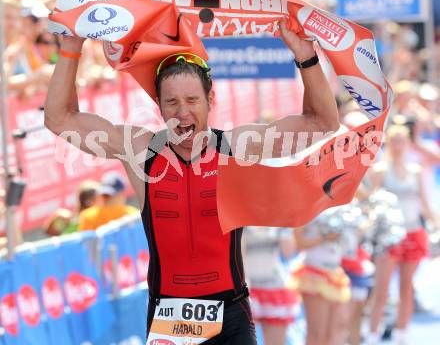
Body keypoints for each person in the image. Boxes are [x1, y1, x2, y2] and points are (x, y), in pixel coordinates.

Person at [44, 19, 340, 344]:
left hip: (230, 315)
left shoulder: (237, 148)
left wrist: (306, 58)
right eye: (171, 102)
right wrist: (70, 52)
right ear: (159, 107)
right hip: (168, 315)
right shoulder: (141, 152)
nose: (182, 112)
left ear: (210, 100)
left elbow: (322, 121)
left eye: (192, 101)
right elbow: (60, 118)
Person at [366, 124, 439, 345]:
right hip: (388, 236)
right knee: (382, 289)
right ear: (388, 143)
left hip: (413, 232)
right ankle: (372, 335)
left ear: (408, 143)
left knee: (407, 287)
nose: (398, 146)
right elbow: (372, 203)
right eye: (394, 140)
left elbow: (424, 204)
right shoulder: (379, 171)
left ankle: (401, 335)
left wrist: (436, 224)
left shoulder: (416, 171)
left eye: (402, 140)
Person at [293, 210, 351, 345]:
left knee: (337, 328)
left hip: (335, 273)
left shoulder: (341, 206)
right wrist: (325, 238)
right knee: (317, 332)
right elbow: (299, 242)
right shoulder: (308, 205)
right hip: (314, 272)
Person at [243, 227, 298, 345]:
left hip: (274, 289)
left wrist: (283, 227)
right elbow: (238, 256)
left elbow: (288, 253)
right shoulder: (240, 220)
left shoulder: (278, 223)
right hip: (247, 289)